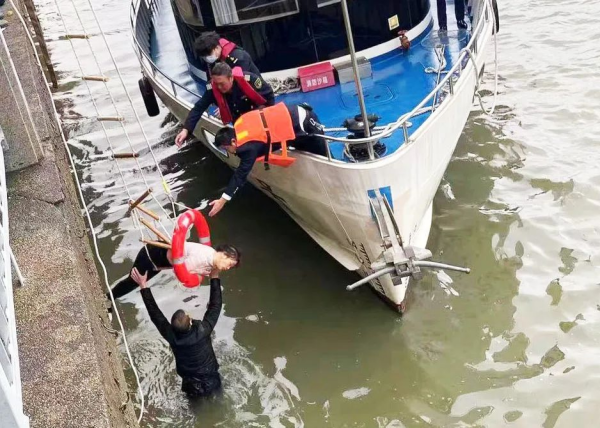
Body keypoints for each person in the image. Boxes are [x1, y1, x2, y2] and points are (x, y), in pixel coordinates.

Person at [207, 102, 328, 217]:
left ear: (233, 141)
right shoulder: (239, 125)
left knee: (324, 159)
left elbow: (240, 175)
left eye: (226, 148)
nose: (227, 151)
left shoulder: (247, 149)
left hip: (304, 122)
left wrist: (222, 200)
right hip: (292, 117)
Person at [133, 267, 224, 397]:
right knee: (219, 399)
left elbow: (155, 314)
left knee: (195, 408)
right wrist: (214, 276)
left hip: (190, 384)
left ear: (172, 326)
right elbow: (216, 305)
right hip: (211, 379)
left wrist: (143, 286)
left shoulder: (171, 335)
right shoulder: (203, 330)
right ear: (191, 322)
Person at [175, 63, 274, 146]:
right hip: (239, 122)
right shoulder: (213, 90)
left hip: (258, 117)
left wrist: (264, 116)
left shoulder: (249, 80)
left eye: (222, 83)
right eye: (216, 83)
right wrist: (186, 130)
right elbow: (198, 108)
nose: (219, 87)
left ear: (231, 78)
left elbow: (268, 95)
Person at [108, 243, 240, 299]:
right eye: (229, 264)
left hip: (160, 263)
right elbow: (182, 274)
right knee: (133, 281)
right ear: (224, 255)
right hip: (151, 255)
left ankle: (110, 297)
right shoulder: (202, 257)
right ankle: (108, 298)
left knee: (134, 282)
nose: (228, 268)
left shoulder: (211, 258)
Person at [194, 31, 261, 77]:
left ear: (217, 47)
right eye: (204, 56)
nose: (207, 58)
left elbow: (244, 79)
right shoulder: (213, 61)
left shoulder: (238, 58)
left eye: (208, 54)